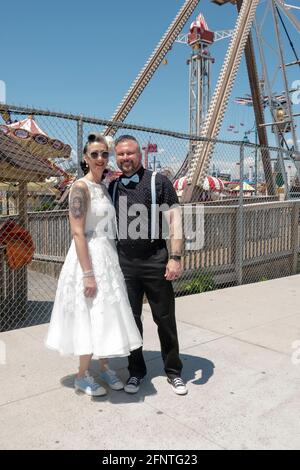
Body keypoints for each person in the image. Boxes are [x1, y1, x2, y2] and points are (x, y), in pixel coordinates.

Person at [46, 133, 142, 396]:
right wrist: (88, 274)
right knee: (89, 312)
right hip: (86, 257)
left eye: (104, 153)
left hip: (106, 254)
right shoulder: (80, 187)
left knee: (105, 312)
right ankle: (81, 375)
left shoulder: (102, 186)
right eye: (94, 154)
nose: (100, 158)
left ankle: (104, 366)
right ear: (86, 159)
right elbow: (77, 232)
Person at [109, 135, 187, 395]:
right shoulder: (112, 187)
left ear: (140, 154)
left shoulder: (159, 182)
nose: (126, 158)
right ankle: (136, 371)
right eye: (121, 154)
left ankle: (174, 371)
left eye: (130, 153)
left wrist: (175, 257)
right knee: (131, 320)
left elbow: (175, 221)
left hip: (155, 259)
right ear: (116, 156)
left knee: (164, 318)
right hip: (124, 263)